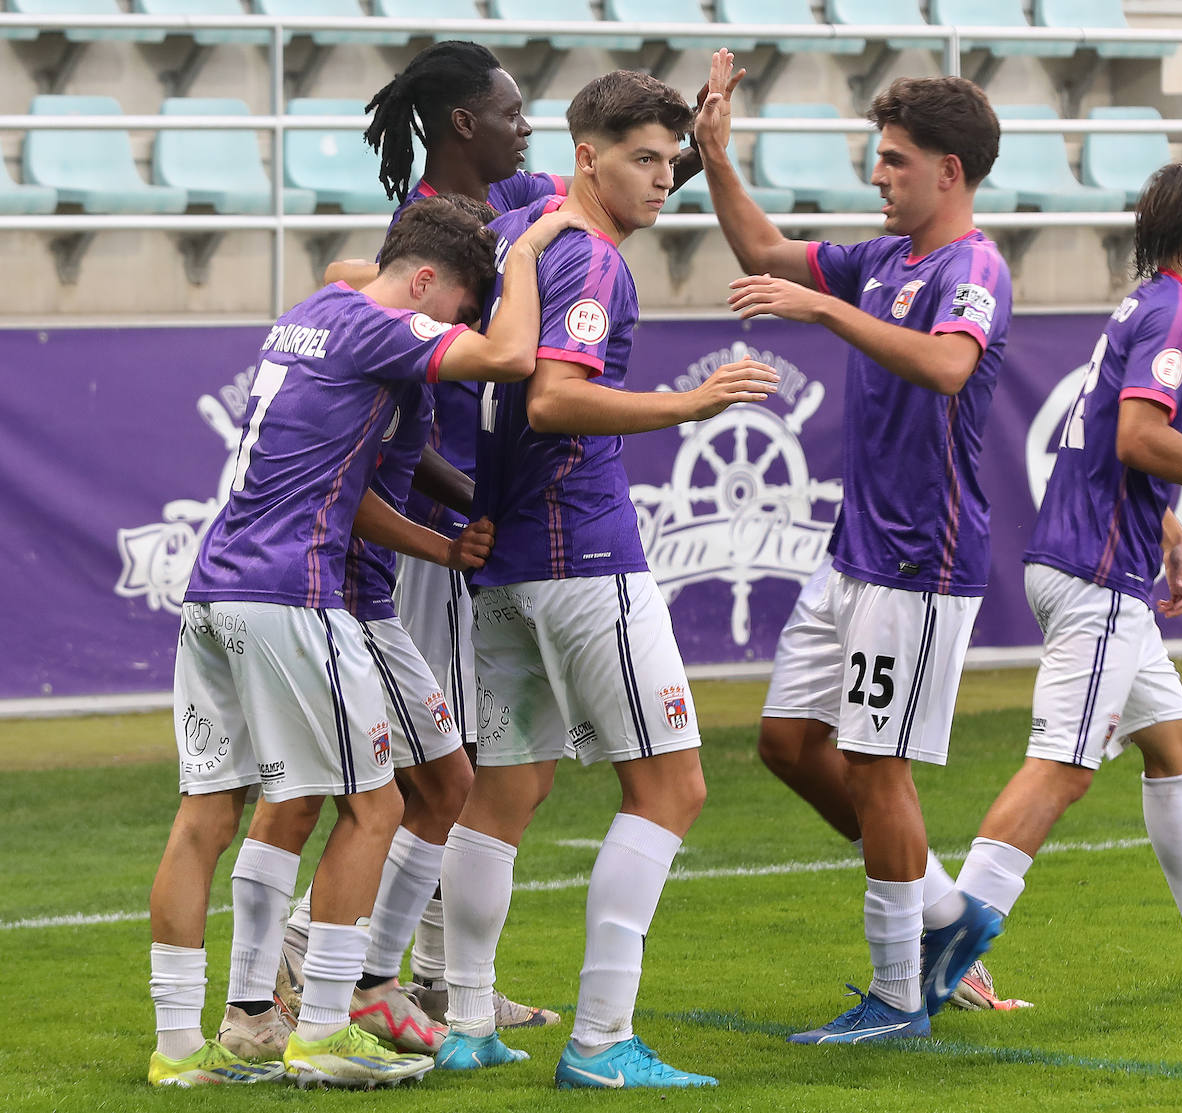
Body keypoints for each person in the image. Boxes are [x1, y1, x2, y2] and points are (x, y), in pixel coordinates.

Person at [146, 194, 580, 1088]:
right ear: (422, 282)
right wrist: (531, 247)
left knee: (207, 816)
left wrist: (438, 543)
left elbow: (346, 481)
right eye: (454, 306)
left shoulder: (313, 313)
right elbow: (512, 355)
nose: (454, 331)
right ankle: (329, 1025)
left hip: (214, 591)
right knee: (373, 807)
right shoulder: (379, 332)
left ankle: (184, 1047)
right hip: (294, 597)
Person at [437, 70, 779, 1089]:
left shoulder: (527, 231)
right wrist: (690, 404)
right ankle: (599, 1039)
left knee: (503, 791)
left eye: (672, 161)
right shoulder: (590, 262)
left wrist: (700, 124)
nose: (663, 178)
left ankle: (463, 1022)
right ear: (585, 157)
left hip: (504, 562)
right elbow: (552, 401)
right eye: (644, 158)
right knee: (671, 785)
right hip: (581, 555)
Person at [948, 161, 1182, 984]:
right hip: (1093, 574)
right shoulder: (1178, 315)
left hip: (1099, 560)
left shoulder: (1147, 304)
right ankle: (939, 954)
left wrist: (1164, 522)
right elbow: (1134, 437)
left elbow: (1102, 435)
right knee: (1062, 766)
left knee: (1175, 744)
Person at [696, 55, 1013, 1040]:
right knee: (789, 745)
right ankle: (946, 914)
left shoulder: (973, 269)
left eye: (894, 162)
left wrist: (829, 310)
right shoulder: (885, 262)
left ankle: (898, 994)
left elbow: (951, 367)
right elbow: (760, 244)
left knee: (880, 769)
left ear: (948, 172)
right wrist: (715, 155)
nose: (878, 178)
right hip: (855, 554)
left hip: (920, 560)